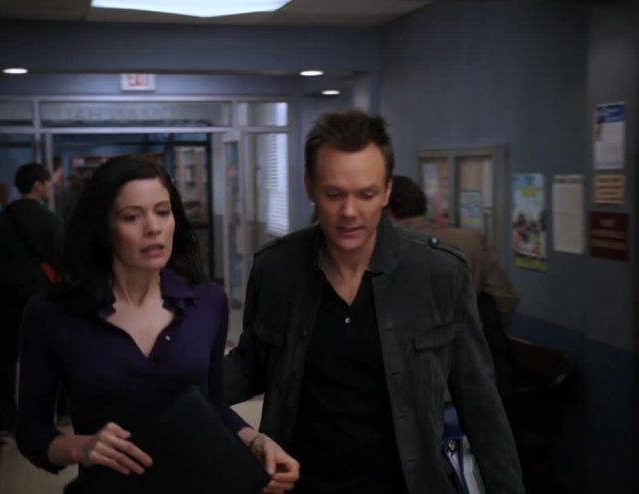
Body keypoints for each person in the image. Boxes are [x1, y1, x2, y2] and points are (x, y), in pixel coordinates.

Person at [224, 110, 524, 493]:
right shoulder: (277, 269)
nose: (350, 212)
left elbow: (481, 404)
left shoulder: (437, 273)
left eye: (366, 194)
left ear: (386, 192)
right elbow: (248, 367)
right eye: (334, 194)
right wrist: (169, 388)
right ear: (309, 187)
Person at [15, 156, 299, 492]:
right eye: (132, 216)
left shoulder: (208, 302)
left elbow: (212, 403)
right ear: (103, 228)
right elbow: (32, 432)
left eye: (163, 212)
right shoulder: (51, 314)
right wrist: (81, 447)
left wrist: (253, 440)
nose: (153, 228)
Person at [387, 174, 518, 413]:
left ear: (386, 209)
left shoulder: (384, 248)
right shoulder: (470, 241)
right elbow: (505, 298)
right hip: (468, 378)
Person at [0, 162, 60, 443]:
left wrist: (1, 294)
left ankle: (4, 424)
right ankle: (49, 417)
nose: (50, 187)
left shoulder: (0, 220)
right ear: (38, 185)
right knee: (48, 358)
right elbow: (62, 260)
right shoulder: (49, 220)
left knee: (6, 361)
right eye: (48, 182)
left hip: (8, 300)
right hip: (43, 299)